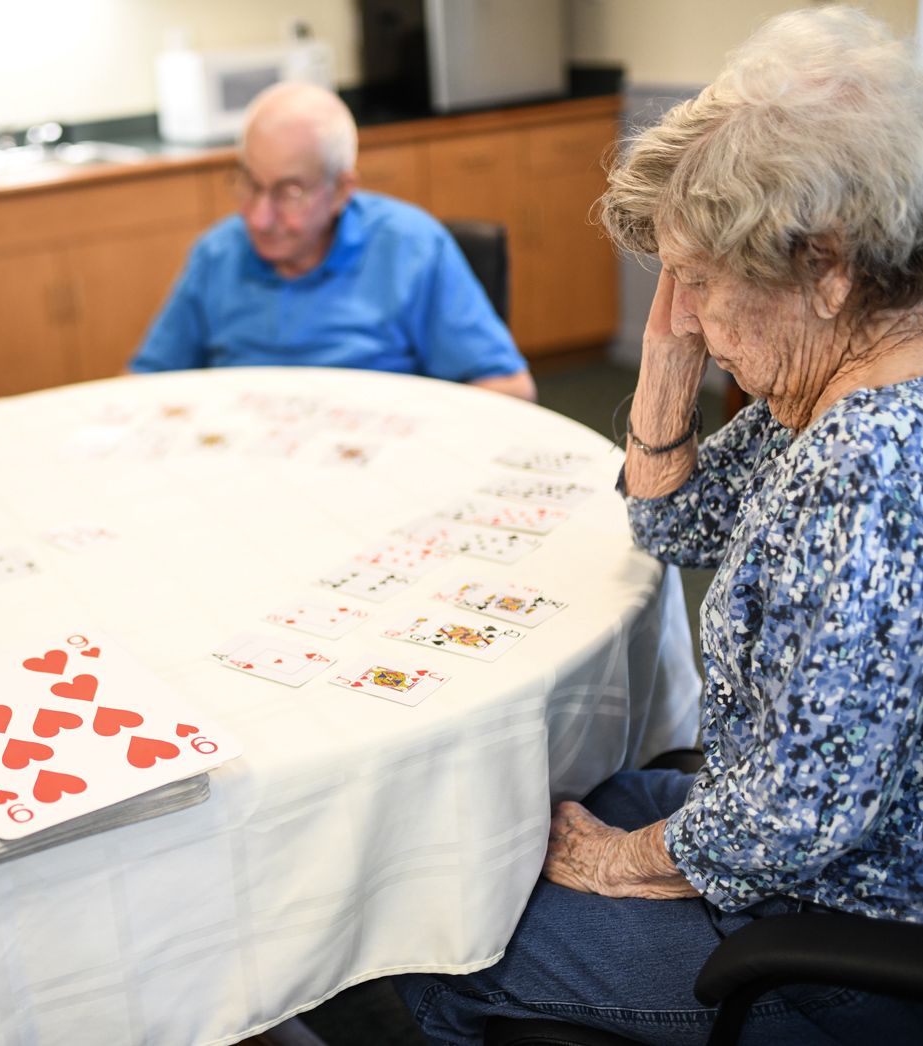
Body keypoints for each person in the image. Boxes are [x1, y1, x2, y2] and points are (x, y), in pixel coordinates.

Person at [390, 7, 923, 1042]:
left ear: (829, 266)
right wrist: (671, 359)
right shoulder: (829, 388)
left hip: (838, 939)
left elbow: (794, 819)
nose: (686, 314)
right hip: (781, 843)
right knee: (491, 817)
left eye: (706, 283)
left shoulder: (871, 465)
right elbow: (673, 526)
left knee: (425, 939)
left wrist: (621, 860)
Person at [128, 82, 536, 401]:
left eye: (289, 193)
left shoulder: (410, 248)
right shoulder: (217, 253)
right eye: (249, 184)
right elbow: (143, 385)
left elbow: (512, 388)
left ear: (342, 190)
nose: (258, 217)